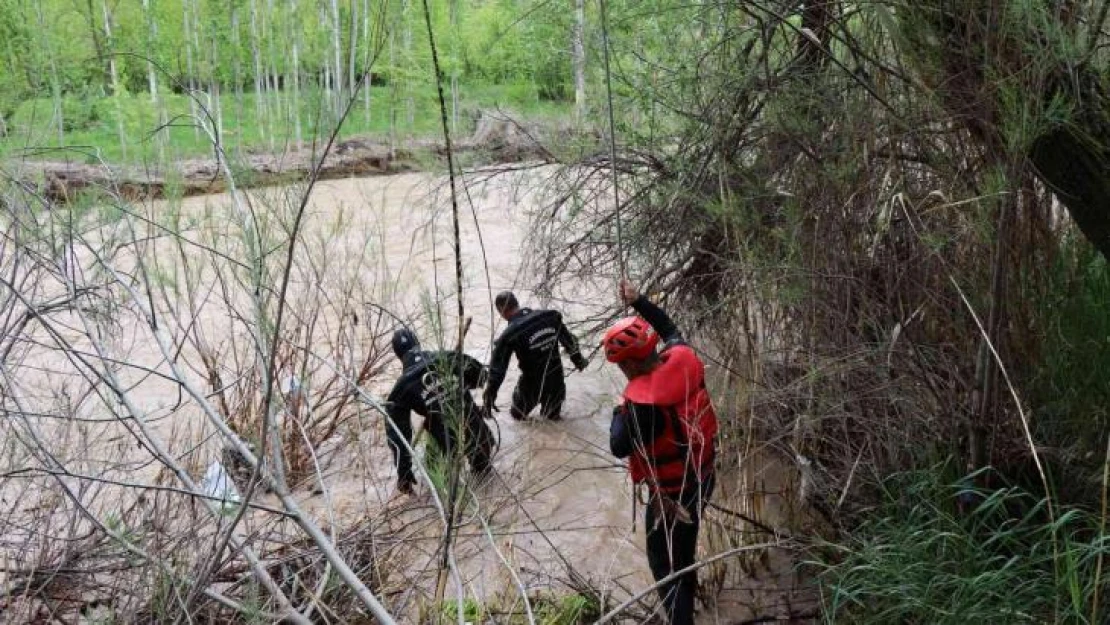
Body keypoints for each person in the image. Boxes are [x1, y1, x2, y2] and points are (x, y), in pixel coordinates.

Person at [604, 280, 718, 625]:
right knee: (684, 550)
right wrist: (639, 302)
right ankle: (689, 600)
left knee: (662, 563)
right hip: (704, 473)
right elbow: (669, 327)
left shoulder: (641, 406)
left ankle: (681, 620)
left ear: (630, 365)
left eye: (622, 366)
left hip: (671, 494)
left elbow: (618, 446)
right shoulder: (683, 356)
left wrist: (616, 411)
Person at [385, 327, 495, 495]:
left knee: (441, 482)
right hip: (477, 434)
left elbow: (398, 437)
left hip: (446, 442)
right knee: (484, 474)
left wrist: (404, 474)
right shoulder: (448, 357)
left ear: (398, 355)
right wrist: (458, 388)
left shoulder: (400, 389)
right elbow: (482, 377)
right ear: (418, 343)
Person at [483, 291, 589, 421]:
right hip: (556, 381)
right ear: (517, 304)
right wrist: (578, 361)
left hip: (531, 386)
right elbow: (570, 342)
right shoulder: (550, 316)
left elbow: (497, 371)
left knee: (517, 418)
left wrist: (489, 399)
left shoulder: (509, 334)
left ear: (501, 311)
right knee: (553, 421)